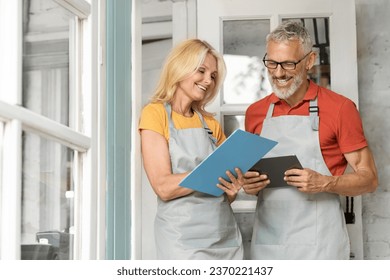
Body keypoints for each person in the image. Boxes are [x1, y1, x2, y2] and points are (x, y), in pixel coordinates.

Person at [243, 21, 378, 260]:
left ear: (309, 61)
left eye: (288, 64)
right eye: (272, 63)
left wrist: (325, 183)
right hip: (268, 245)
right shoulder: (255, 113)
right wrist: (249, 185)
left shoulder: (340, 108)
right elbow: (250, 178)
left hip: (321, 246)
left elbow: (369, 180)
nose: (278, 73)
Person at [139, 38, 244, 260]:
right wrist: (209, 172)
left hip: (223, 237)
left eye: (213, 76)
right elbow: (163, 187)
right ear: (180, 68)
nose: (208, 80)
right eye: (202, 71)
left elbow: (224, 189)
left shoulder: (210, 124)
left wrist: (231, 191)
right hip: (181, 240)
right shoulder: (155, 114)